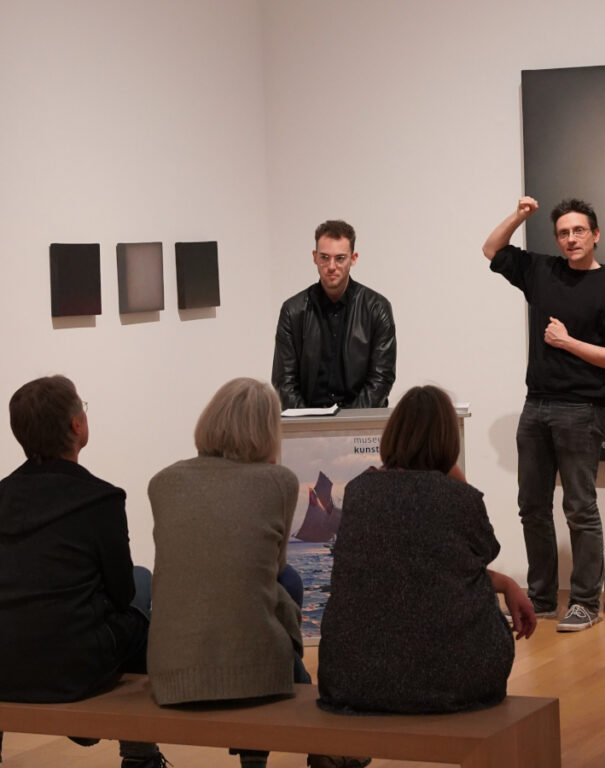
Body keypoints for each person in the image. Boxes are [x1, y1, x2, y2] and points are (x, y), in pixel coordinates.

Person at [146, 377, 365, 768]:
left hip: (170, 673)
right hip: (255, 677)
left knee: (280, 587)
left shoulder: (163, 481)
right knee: (289, 583)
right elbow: (274, 569)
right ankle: (317, 738)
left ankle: (305, 743)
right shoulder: (277, 482)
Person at [317, 385, 536, 715]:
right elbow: (479, 555)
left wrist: (506, 583)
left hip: (353, 680)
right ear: (449, 441)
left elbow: (426, 565)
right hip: (456, 681)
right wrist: (453, 474)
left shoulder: (360, 492)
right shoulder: (460, 499)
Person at [482, 196, 605, 632]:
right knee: (532, 507)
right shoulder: (542, 271)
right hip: (535, 405)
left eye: (578, 231)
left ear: (595, 234)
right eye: (563, 233)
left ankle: (586, 602)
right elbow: (491, 249)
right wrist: (519, 216)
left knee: (579, 508)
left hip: (581, 410)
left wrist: (569, 343)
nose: (571, 239)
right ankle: (542, 598)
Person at [0, 375, 165, 768]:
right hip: (72, 667)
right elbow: (123, 593)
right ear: (77, 425)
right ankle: (140, 756)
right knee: (141, 583)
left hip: (3, 663)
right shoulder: (101, 499)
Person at [272, 219, 396, 410]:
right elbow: (284, 381)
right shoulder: (293, 311)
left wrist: (347, 426)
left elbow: (381, 378)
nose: (331, 266)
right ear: (314, 257)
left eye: (339, 258)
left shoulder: (377, 308)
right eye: (324, 257)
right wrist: (311, 426)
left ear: (353, 259)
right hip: (306, 428)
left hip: (361, 427)